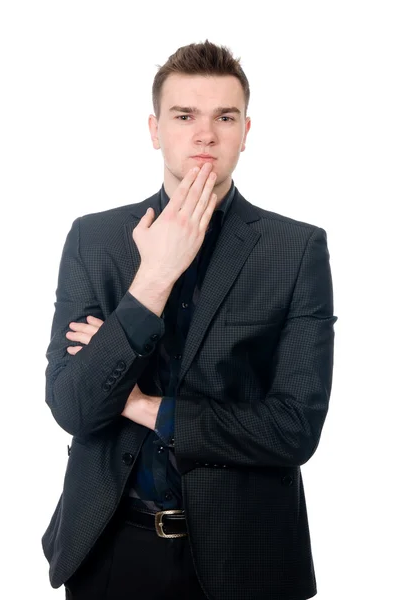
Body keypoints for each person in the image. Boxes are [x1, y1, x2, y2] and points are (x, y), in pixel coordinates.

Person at [41, 39, 337, 600]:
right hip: (109, 551)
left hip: (248, 557)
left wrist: (141, 406)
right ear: (155, 130)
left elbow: (293, 429)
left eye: (225, 117)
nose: (206, 134)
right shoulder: (95, 239)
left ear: (247, 131)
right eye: (185, 116)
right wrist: (153, 279)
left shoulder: (295, 248)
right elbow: (74, 405)